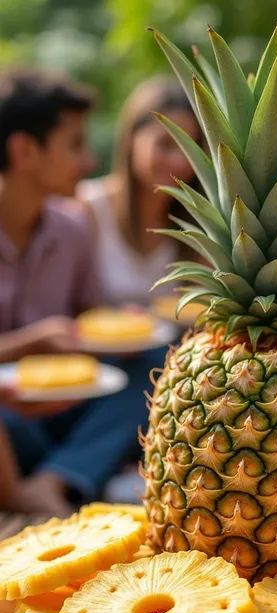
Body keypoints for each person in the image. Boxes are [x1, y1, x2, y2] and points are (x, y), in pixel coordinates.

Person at [0, 68, 154, 515]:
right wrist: (32, 343)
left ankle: (58, 479)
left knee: (156, 362)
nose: (88, 162)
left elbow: (90, 324)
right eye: (75, 146)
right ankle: (57, 481)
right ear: (23, 150)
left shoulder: (72, 228)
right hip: (8, 427)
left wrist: (121, 330)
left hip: (64, 414)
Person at [79, 76, 201, 309]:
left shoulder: (197, 222)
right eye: (166, 144)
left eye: (192, 148)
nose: (180, 161)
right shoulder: (86, 207)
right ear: (131, 138)